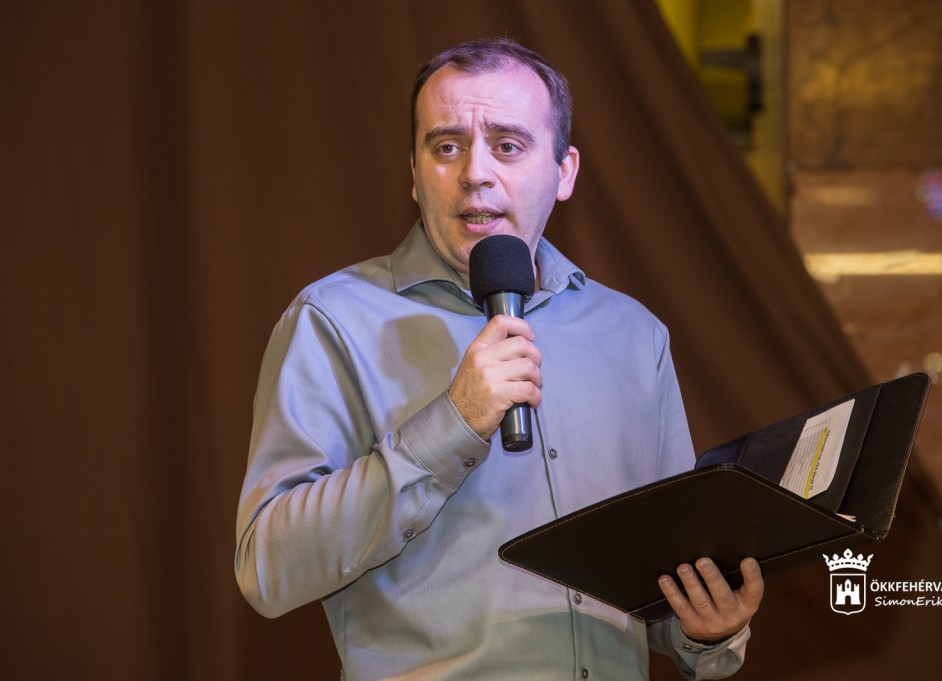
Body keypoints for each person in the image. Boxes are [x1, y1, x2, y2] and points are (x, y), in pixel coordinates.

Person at [235, 37, 763, 680]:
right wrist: (451, 423)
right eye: (446, 146)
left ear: (564, 171)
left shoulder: (632, 334)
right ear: (413, 172)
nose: (475, 173)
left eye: (508, 145)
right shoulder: (333, 321)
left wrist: (708, 629)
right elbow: (268, 569)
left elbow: (663, 587)